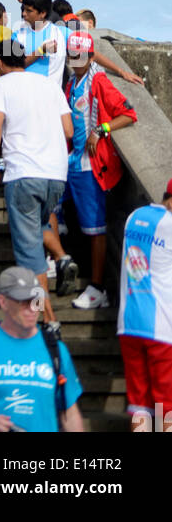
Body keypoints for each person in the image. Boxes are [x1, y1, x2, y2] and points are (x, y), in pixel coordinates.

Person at [0, 42, 74, 330]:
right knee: (36, 228)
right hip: (57, 175)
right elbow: (69, 130)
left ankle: (49, 322)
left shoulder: (0, 85)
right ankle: (61, 258)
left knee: (30, 255)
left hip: (23, 174)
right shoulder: (49, 84)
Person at [0, 266, 84, 432]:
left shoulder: (56, 350)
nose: (33, 308)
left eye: (37, 301)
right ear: (3, 302)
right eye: (23, 301)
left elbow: (70, 413)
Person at [64, 32, 137, 309]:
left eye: (81, 56)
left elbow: (128, 114)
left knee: (96, 228)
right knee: (71, 222)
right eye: (72, 55)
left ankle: (98, 287)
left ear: (91, 56)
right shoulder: (72, 82)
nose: (75, 60)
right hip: (72, 161)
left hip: (90, 165)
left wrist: (101, 129)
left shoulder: (99, 80)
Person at [118, 177, 172, 432]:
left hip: (129, 324)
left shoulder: (134, 216)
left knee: (139, 404)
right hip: (163, 328)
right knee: (167, 406)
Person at [10, 0, 68, 84]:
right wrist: (41, 51)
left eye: (29, 11)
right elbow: (14, 67)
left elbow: (90, 52)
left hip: (50, 96)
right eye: (24, 9)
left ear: (43, 13)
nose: (24, 14)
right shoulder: (17, 35)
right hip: (24, 95)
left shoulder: (61, 33)